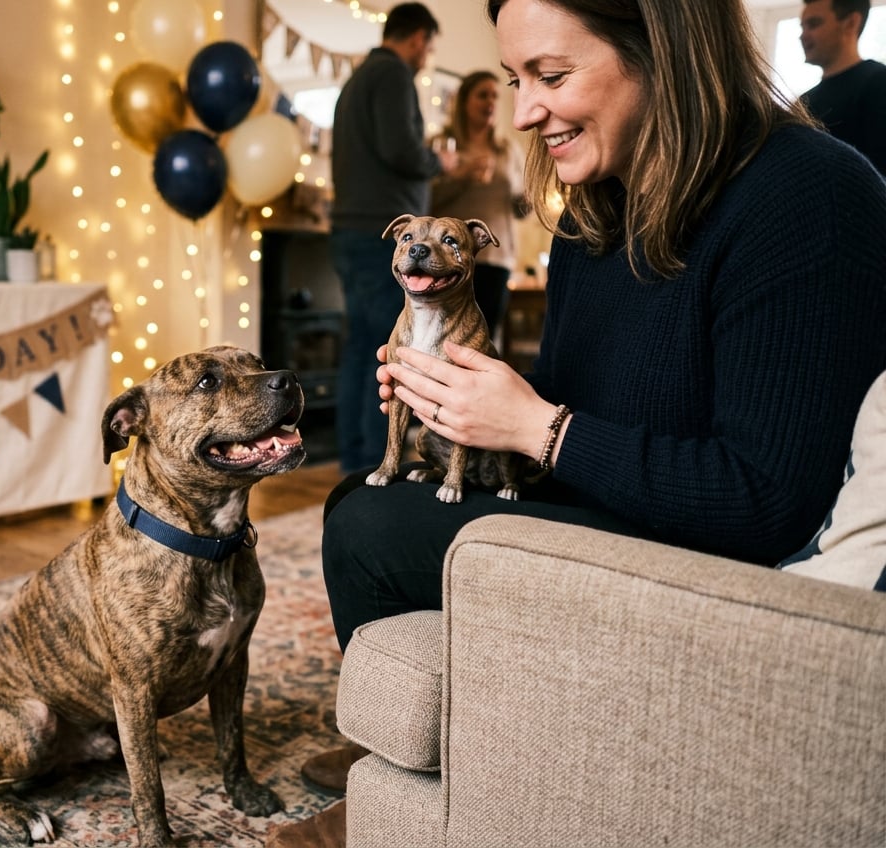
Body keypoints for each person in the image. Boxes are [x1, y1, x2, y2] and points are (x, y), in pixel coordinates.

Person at [265, 0, 886, 844]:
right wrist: (466, 405)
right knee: (363, 502)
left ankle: (459, 770)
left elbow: (768, 501)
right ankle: (441, 747)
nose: (523, 110)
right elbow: (568, 395)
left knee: (372, 524)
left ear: (662, 49)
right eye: (518, 79)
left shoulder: (812, 193)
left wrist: (540, 430)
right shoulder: (593, 212)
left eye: (552, 77)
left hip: (715, 559)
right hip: (622, 508)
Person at [329, 2, 459, 474]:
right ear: (418, 38)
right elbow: (401, 149)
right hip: (378, 233)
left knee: (361, 347)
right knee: (388, 353)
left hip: (349, 228)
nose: (426, 56)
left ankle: (355, 458)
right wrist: (438, 163)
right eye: (428, 45)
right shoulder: (392, 76)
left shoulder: (358, 79)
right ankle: (373, 462)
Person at [430, 69, 529, 337]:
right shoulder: (443, 145)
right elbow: (426, 202)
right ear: (464, 101)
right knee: (446, 334)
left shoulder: (507, 149)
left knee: (484, 335)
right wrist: (462, 178)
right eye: (482, 95)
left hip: (497, 257)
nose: (490, 103)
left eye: (495, 96)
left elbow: (520, 209)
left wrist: (534, 199)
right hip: (449, 257)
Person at [799, 0, 886, 174]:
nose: (803, 35)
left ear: (851, 23)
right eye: (803, 26)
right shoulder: (803, 101)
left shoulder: (878, 82)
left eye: (814, 24)